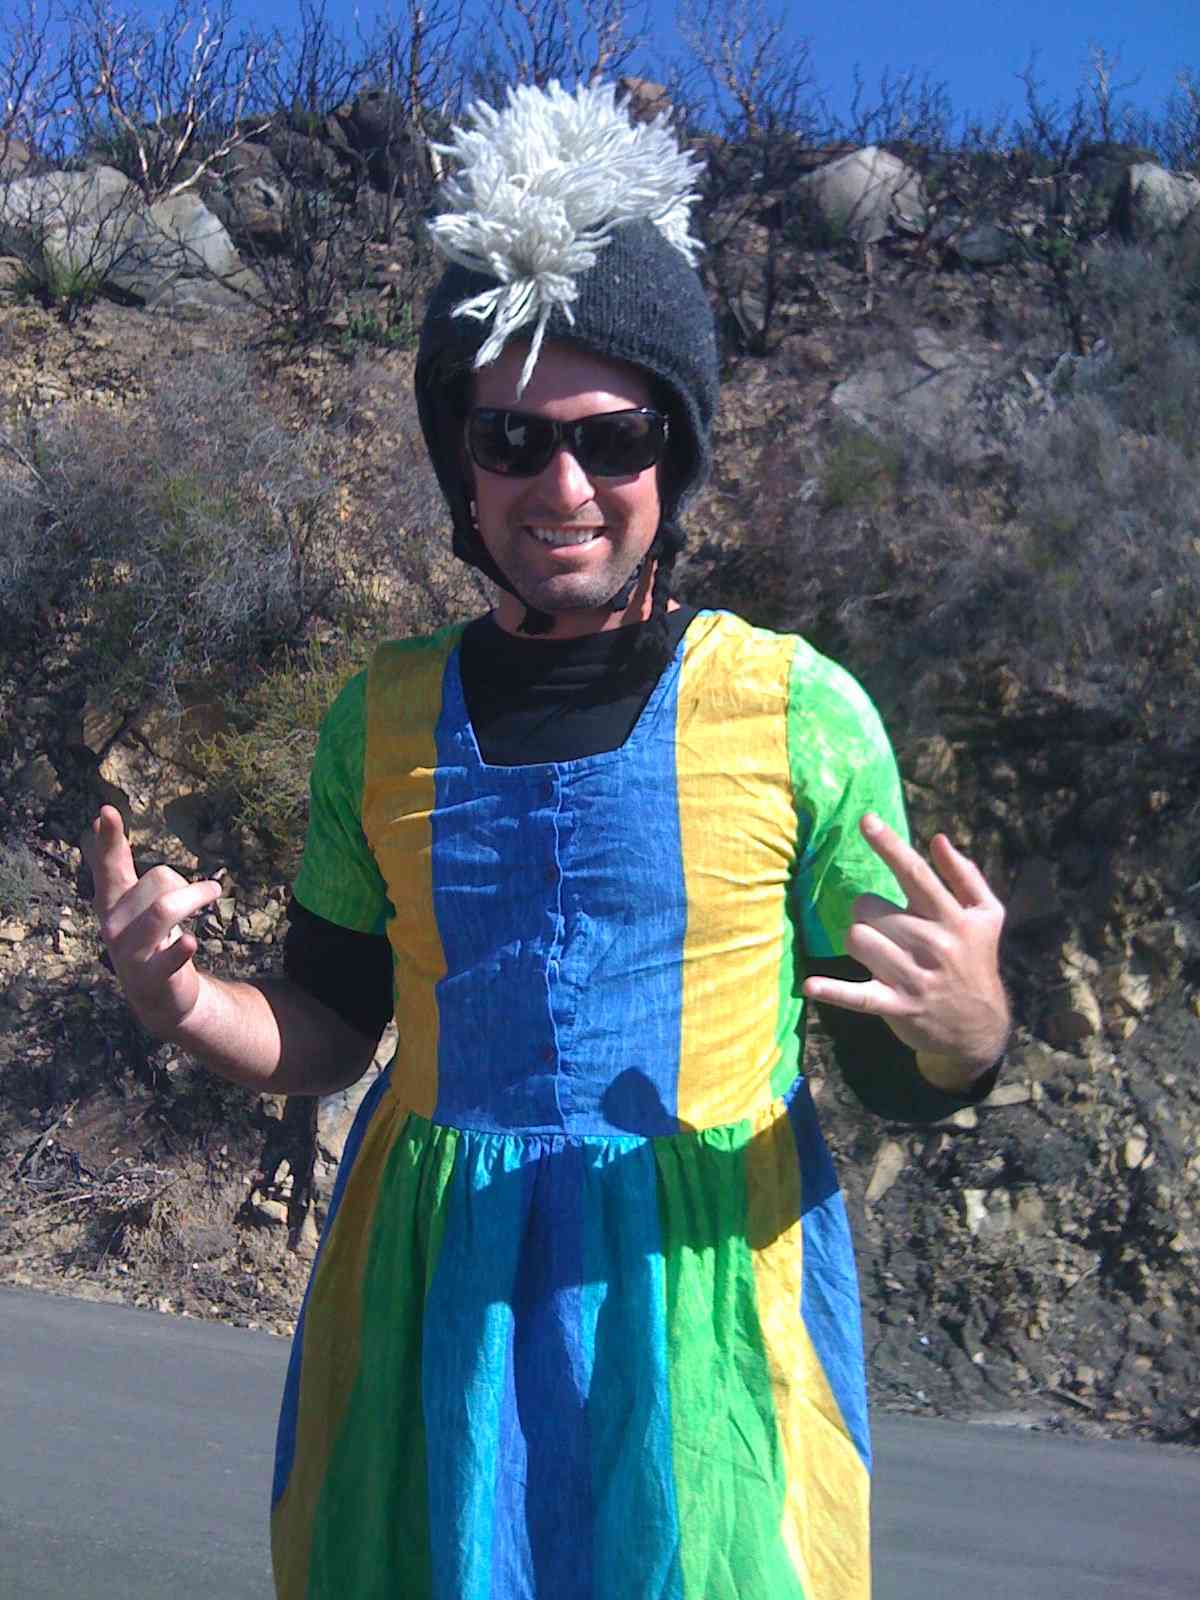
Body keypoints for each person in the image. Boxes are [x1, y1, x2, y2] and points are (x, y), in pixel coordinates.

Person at [84, 81, 1008, 1600]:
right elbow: (331, 1032)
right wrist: (179, 1000)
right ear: (464, 464)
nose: (562, 487)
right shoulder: (377, 723)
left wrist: (969, 1030)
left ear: (673, 450)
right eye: (511, 439)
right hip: (432, 1321)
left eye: (613, 437)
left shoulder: (800, 716)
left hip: (704, 1335)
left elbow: (906, 1055)